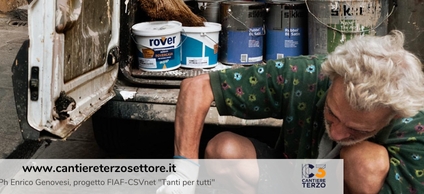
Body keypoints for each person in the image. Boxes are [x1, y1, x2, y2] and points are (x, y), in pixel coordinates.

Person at [158, 31, 424, 194]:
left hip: (341, 185)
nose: (338, 133)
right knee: (223, 149)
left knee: (365, 161)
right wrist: (185, 170)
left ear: (395, 116)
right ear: (331, 78)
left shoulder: (414, 124)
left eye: (358, 130)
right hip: (297, 175)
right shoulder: (307, 73)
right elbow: (197, 87)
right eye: (332, 114)